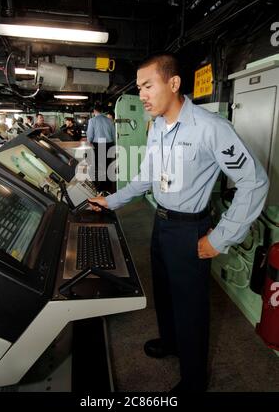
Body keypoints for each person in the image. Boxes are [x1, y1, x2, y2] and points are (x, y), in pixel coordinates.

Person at [88, 53, 269, 393]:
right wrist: (110, 201)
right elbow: (146, 177)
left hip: (190, 230)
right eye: (139, 87)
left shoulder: (211, 127)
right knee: (166, 296)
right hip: (162, 223)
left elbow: (254, 181)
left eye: (148, 85)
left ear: (173, 84)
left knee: (191, 309)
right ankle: (171, 343)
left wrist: (222, 237)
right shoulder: (156, 126)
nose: (142, 94)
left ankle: (195, 379)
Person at [86, 103, 115, 192]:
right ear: (102, 111)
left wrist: (89, 142)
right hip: (109, 144)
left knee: (100, 166)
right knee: (108, 165)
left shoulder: (92, 120)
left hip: (99, 145)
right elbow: (114, 134)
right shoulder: (109, 120)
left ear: (94, 111)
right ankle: (109, 186)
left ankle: (102, 188)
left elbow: (90, 135)